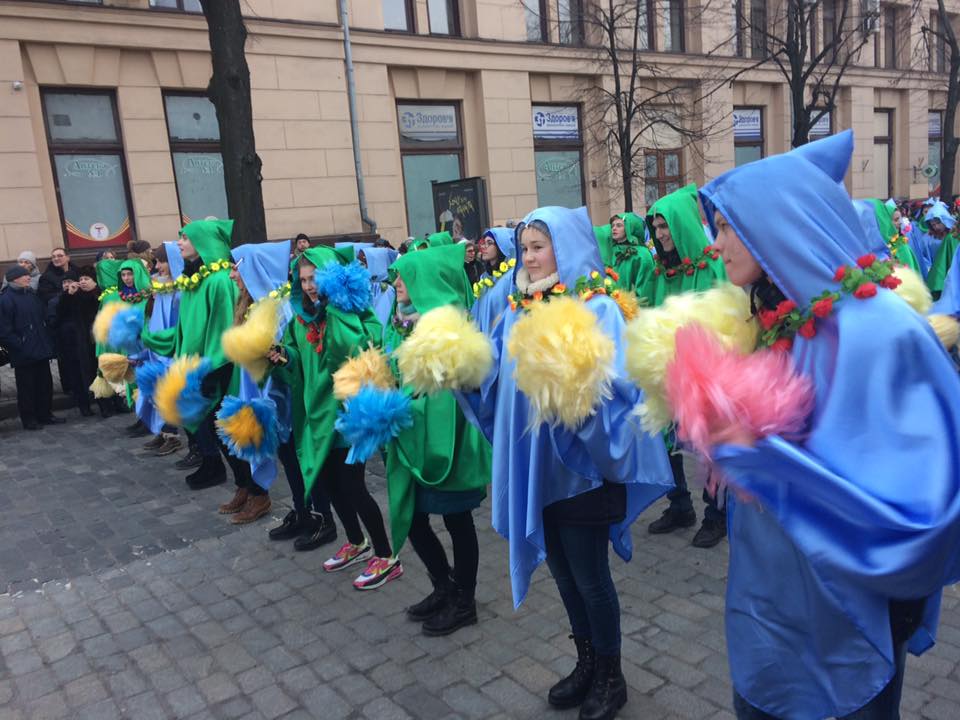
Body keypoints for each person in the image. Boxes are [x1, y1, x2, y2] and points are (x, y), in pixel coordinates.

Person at [694, 129, 960, 720]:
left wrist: (761, 460)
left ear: (779, 224)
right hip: (771, 604)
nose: (717, 245)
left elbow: (929, 501)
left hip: (850, 616)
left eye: (730, 227)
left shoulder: (879, 328)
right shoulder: (768, 324)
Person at [457, 206, 672, 720]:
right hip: (537, 473)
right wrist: (461, 367)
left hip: (582, 473)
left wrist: (576, 393)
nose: (528, 258)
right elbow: (497, 380)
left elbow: (622, 390)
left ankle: (611, 676)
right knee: (564, 575)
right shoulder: (517, 309)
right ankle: (587, 661)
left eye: (539, 247)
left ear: (566, 247)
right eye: (524, 248)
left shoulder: (598, 308)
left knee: (590, 576)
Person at [269, 246, 399, 588]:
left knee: (353, 486)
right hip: (317, 413)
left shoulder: (349, 311)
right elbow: (297, 355)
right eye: (303, 280)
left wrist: (335, 312)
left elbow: (364, 345)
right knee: (328, 484)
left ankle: (386, 555)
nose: (309, 286)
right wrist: (282, 355)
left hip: (347, 414)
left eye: (315, 278)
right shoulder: (300, 318)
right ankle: (356, 541)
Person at [383, 244, 492, 635]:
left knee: (456, 520)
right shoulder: (406, 319)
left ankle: (464, 601)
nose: (397, 282)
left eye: (405, 275)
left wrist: (398, 408)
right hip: (413, 441)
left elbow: (446, 401)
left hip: (446, 447)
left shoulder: (447, 330)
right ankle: (444, 585)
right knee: (412, 517)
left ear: (425, 281)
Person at [644, 184, 729, 548]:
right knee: (666, 440)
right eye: (656, 227)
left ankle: (716, 514)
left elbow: (727, 321)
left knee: (710, 446)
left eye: (665, 225)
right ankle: (679, 504)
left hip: (706, 375)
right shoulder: (661, 273)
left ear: (681, 223)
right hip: (669, 374)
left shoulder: (713, 267)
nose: (660, 234)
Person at [140, 220, 242, 491]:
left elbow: (224, 332)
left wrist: (210, 370)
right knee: (204, 425)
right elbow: (185, 330)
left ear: (204, 242)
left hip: (215, 369)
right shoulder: (195, 281)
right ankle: (214, 466)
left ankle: (249, 487)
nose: (179, 243)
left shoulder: (219, 281)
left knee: (221, 428)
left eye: (185, 238)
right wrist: (150, 337)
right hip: (196, 368)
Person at [0, 265, 63, 430]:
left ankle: (45, 414)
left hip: (40, 349)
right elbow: (4, 331)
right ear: (14, 279)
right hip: (23, 353)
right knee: (27, 388)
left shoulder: (31, 295)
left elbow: (42, 318)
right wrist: (20, 344)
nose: (28, 278)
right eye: (24, 276)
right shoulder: (5, 300)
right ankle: (29, 419)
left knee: (45, 385)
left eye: (28, 275)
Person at [137, 243, 183, 457]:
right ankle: (163, 431)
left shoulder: (180, 290)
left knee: (170, 395)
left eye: (161, 261)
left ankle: (172, 435)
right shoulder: (160, 288)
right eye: (156, 261)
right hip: (156, 350)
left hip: (169, 351)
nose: (157, 266)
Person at [54, 266, 99, 417]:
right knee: (78, 376)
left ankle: (102, 402)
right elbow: (57, 317)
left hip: (88, 341)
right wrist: (68, 295)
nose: (67, 285)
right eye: (64, 282)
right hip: (71, 345)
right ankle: (84, 405)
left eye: (70, 281)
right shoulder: (64, 298)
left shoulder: (86, 296)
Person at [471, 227, 517, 336]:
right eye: (483, 243)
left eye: (489, 243)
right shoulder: (484, 278)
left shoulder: (510, 276)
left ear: (502, 246)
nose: (484, 247)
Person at [926, 201, 958, 298]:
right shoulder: (929, 238)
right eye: (933, 225)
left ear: (945, 220)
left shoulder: (952, 237)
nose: (936, 227)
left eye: (938, 223)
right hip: (938, 272)